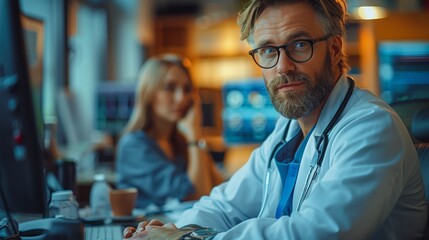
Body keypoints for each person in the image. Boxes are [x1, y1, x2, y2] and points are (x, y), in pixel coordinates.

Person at [123, 0, 428, 239]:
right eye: (268, 50)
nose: (283, 66)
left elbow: (313, 234)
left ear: (334, 49)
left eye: (299, 44)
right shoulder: (288, 131)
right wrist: (166, 231)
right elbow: (226, 205)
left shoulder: (371, 128)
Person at [115, 54, 224, 208]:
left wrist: (195, 136)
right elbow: (197, 196)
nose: (181, 98)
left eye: (187, 89)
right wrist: (194, 136)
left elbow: (217, 186)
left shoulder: (179, 140)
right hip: (145, 229)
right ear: (149, 94)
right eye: (169, 88)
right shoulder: (133, 146)